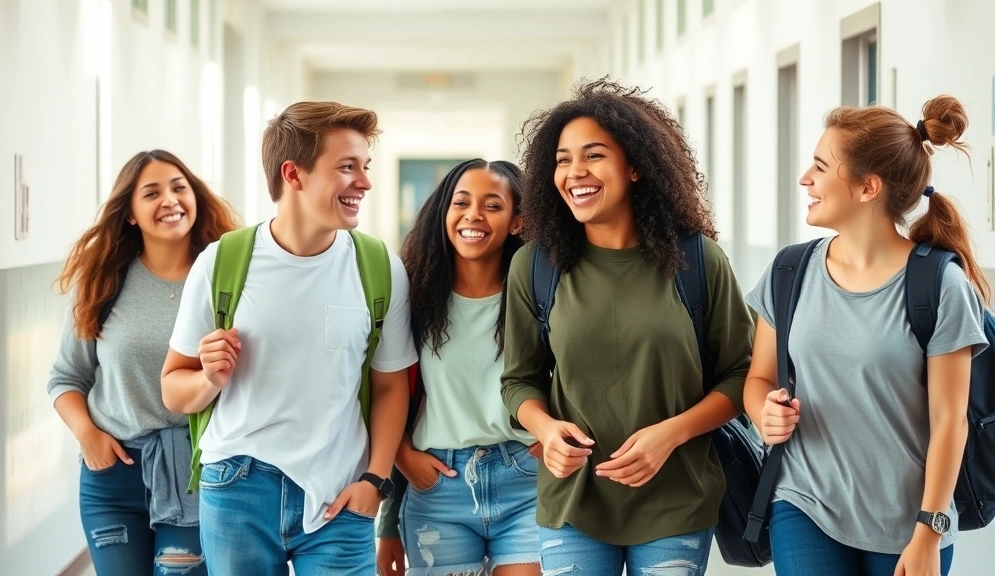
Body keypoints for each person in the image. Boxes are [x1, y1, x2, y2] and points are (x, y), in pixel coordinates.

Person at [500, 78, 754, 576]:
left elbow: (741, 376)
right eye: (562, 159)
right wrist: (546, 430)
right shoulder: (536, 266)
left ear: (635, 166)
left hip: (675, 499)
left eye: (594, 156)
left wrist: (671, 435)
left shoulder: (697, 261)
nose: (575, 173)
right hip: (574, 500)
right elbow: (518, 381)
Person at [161, 101, 417, 575]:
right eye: (347, 167)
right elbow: (174, 389)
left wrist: (374, 481)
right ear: (293, 174)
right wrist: (210, 379)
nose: (365, 182)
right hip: (238, 489)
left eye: (366, 167)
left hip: (341, 495)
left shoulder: (380, 268)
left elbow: (389, 386)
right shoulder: (221, 263)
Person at [743, 96, 989, 576]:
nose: (804, 180)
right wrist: (762, 414)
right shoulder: (788, 271)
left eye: (819, 167)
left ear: (867, 187)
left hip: (909, 521)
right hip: (804, 501)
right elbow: (757, 380)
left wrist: (929, 531)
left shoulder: (939, 285)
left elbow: (950, 420)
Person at [48, 150, 239, 576]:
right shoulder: (102, 282)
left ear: (195, 197)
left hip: (196, 474)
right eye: (151, 193)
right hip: (114, 476)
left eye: (179, 188)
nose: (169, 200)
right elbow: (66, 378)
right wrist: (87, 436)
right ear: (131, 214)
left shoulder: (225, 279)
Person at [376, 159, 540, 576]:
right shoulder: (411, 298)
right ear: (444, 213)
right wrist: (399, 468)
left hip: (525, 479)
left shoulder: (540, 295)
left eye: (492, 206)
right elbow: (390, 394)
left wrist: (551, 433)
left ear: (518, 221)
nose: (473, 216)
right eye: (461, 202)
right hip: (436, 486)